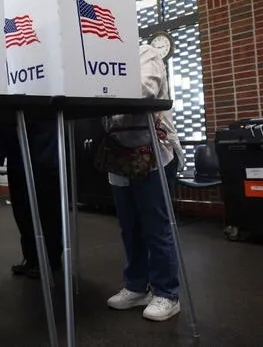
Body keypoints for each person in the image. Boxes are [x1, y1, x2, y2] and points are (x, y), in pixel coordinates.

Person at [101, 44, 184, 322]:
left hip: (153, 153)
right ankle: (137, 286)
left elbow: (143, 89)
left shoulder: (145, 52)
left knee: (155, 226)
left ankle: (167, 294)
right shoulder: (100, 60)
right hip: (120, 156)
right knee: (129, 227)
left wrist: (99, 82)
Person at [0, 121, 63, 279]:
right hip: (15, 135)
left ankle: (49, 259)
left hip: (40, 132)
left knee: (44, 201)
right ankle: (32, 257)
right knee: (21, 203)